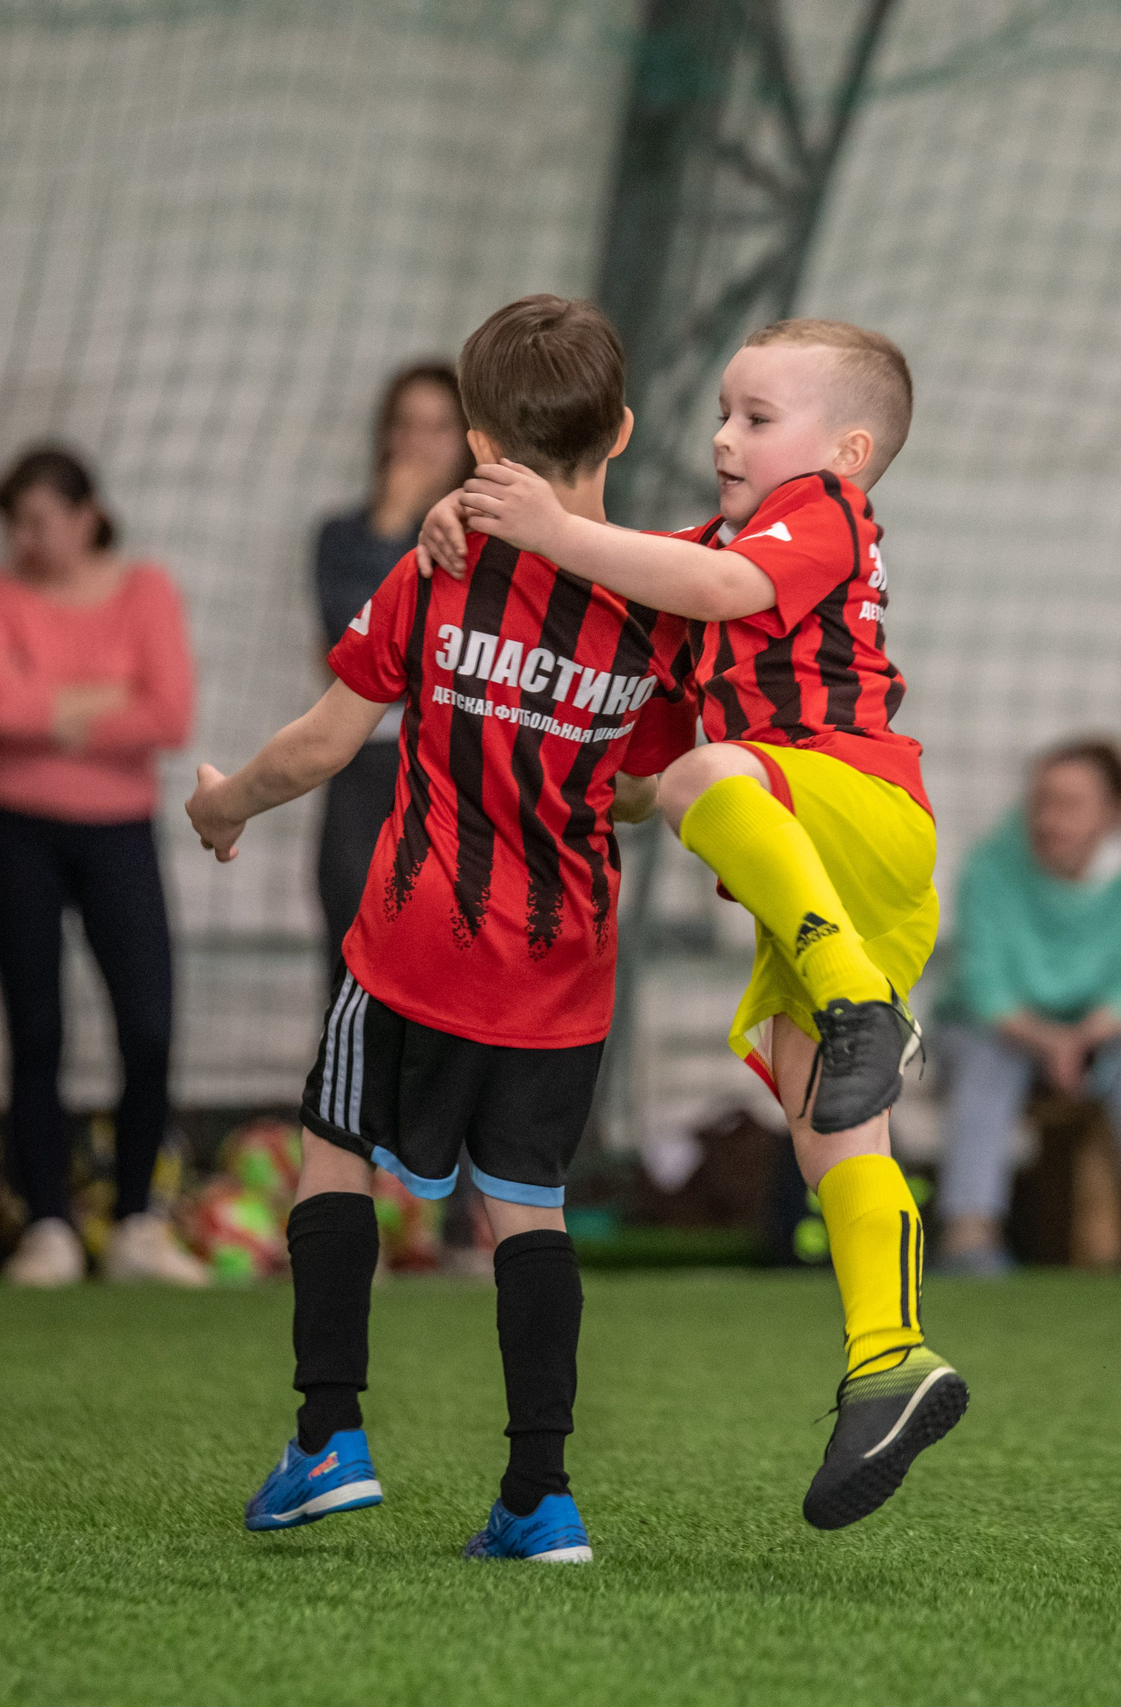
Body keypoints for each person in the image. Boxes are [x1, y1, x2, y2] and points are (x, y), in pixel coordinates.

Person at [436, 315, 965, 1533]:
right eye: (721, 413)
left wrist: (561, 529)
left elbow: (701, 591)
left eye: (756, 418)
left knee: (704, 782)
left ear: (846, 447)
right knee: (827, 1122)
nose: (723, 438)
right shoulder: (705, 550)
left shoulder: (821, 514)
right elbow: (626, 655)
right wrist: (455, 533)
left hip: (862, 813)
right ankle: (888, 1361)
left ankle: (856, 1005)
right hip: (830, 878)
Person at [191, 295, 695, 1564]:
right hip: (561, 974)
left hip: (412, 949)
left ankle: (327, 1441)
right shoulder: (656, 604)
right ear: (622, 430)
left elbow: (319, 745)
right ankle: (539, 1498)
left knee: (330, 1152)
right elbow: (636, 786)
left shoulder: (441, 570)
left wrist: (220, 804)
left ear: (478, 443)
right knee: (526, 1213)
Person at [0, 446, 201, 1287]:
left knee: (149, 1025)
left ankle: (138, 1219)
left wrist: (52, 703)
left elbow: (169, 712)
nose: (25, 539)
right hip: (13, 830)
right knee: (36, 1031)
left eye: (39, 519)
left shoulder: (146, 591)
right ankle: (49, 1225)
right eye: (14, 524)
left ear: (86, 514)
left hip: (119, 832)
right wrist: (109, 696)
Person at [936, 738, 1121, 1278]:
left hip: (1094, 1034)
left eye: (1070, 805)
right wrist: (1050, 1041)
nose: (1050, 819)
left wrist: (1082, 1039)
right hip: (1000, 1029)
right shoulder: (988, 866)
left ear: (1114, 814)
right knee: (988, 1054)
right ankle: (969, 1230)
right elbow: (988, 993)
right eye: (1042, 802)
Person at [312, 364, 473, 995]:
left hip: (454, 767)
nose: (418, 444)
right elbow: (360, 644)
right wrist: (393, 523)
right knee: (352, 960)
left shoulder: (489, 543)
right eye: (405, 425)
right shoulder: (342, 537)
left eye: (438, 427)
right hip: (365, 769)